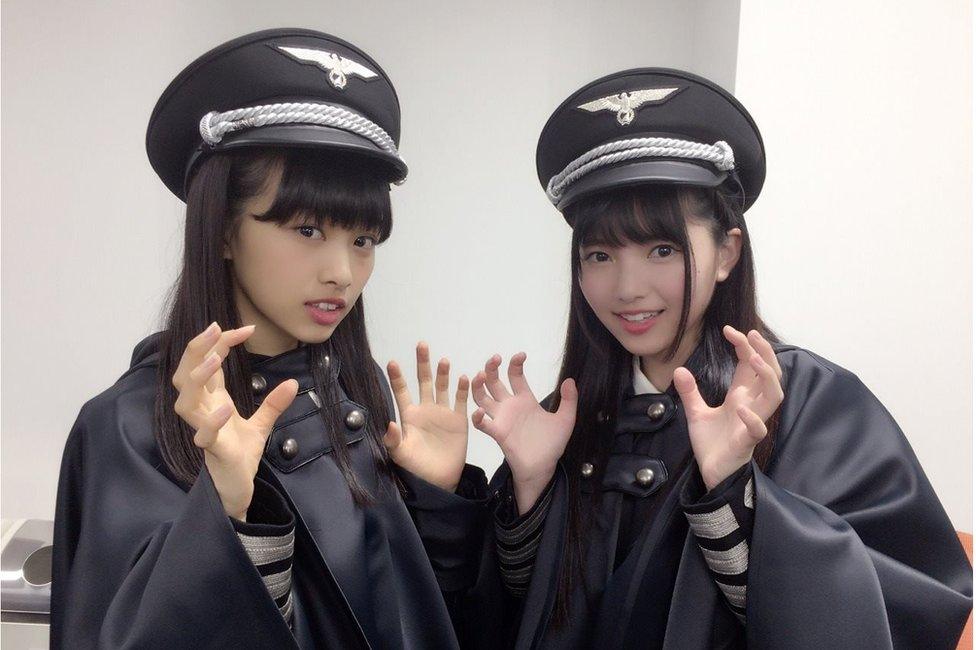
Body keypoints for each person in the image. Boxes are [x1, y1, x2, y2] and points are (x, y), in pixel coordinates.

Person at [466, 68, 973, 648]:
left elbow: (905, 612)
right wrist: (530, 491)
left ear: (727, 252)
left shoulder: (812, 402)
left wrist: (734, 493)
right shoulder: (568, 417)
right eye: (600, 255)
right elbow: (512, 618)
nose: (627, 288)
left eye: (661, 249)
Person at [50, 28, 488, 649]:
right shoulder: (127, 427)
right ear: (223, 231)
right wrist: (230, 512)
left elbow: (409, 618)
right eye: (307, 230)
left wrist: (436, 499)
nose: (342, 272)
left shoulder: (353, 397)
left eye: (363, 240)